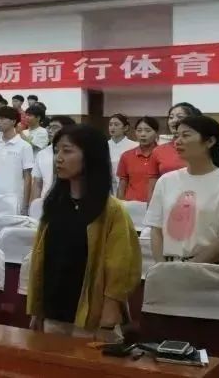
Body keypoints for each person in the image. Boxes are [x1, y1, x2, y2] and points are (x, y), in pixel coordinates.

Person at [27, 124, 140, 339]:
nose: (58, 158)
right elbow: (43, 260)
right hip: (53, 312)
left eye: (67, 151)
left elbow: (120, 269)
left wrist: (109, 315)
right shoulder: (54, 205)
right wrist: (37, 310)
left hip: (93, 320)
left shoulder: (111, 210)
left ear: (90, 156)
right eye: (56, 151)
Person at [145, 115, 219, 265]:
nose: (177, 141)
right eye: (176, 136)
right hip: (170, 267)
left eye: (186, 135)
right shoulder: (166, 181)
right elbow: (156, 229)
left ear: (210, 141)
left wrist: (189, 269)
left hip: (213, 269)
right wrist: (161, 266)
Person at [0, 106, 35, 214]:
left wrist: (25, 204)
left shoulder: (24, 146)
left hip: (14, 199)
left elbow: (27, 177)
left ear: (13, 121)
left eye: (2, 119)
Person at [31, 115, 76, 201]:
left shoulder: (76, 153)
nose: (50, 131)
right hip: (46, 202)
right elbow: (37, 184)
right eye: (49, 127)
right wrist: (33, 205)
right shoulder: (42, 154)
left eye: (55, 128)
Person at [150, 102, 199, 179]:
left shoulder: (201, 148)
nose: (174, 120)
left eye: (180, 117)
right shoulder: (158, 151)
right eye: (171, 117)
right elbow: (153, 181)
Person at [116, 116, 160, 202]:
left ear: (156, 133)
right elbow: (122, 185)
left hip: (156, 204)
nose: (143, 134)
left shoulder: (163, 155)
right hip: (131, 204)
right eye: (139, 130)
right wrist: (120, 204)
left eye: (148, 131)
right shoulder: (126, 156)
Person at [107, 114, 138, 190]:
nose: (112, 127)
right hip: (107, 186)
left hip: (127, 185)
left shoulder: (134, 146)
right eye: (110, 125)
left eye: (116, 125)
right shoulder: (103, 145)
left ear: (125, 128)